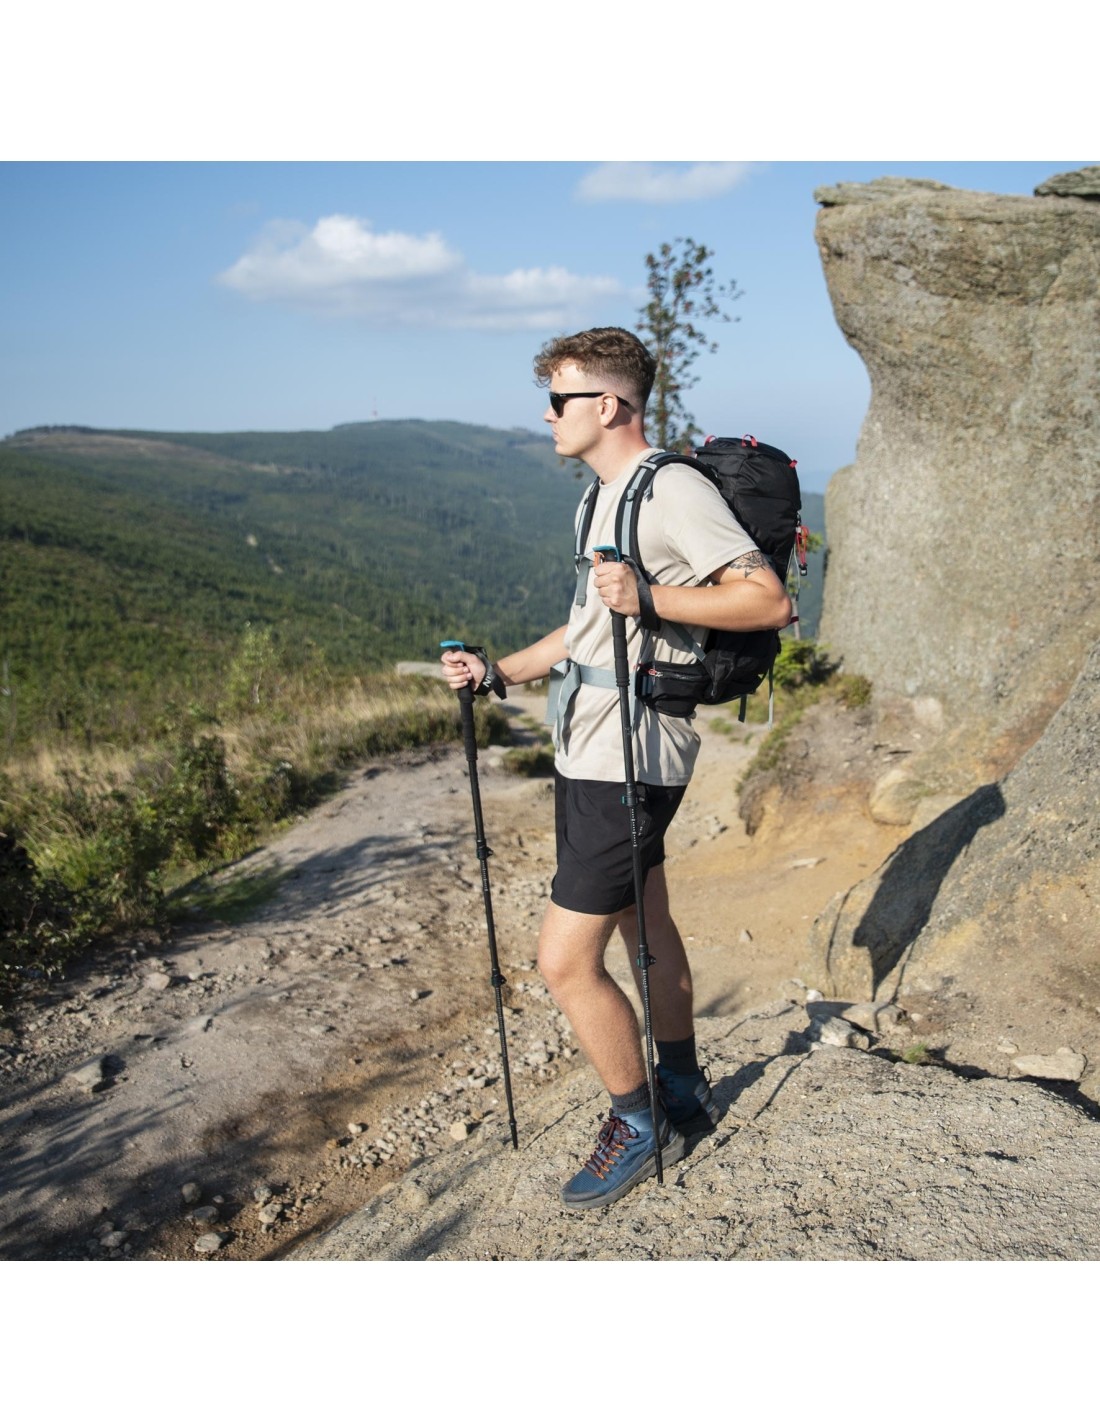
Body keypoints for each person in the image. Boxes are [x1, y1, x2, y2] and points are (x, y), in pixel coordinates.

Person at [441, 326, 791, 1208]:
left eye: (558, 400)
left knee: (564, 963)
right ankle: (681, 1089)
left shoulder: (669, 489)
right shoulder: (603, 497)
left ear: (607, 405)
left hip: (630, 755)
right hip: (591, 745)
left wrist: (651, 595)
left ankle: (637, 1122)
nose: (548, 415)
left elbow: (768, 601)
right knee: (646, 928)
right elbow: (589, 625)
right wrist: (500, 673)